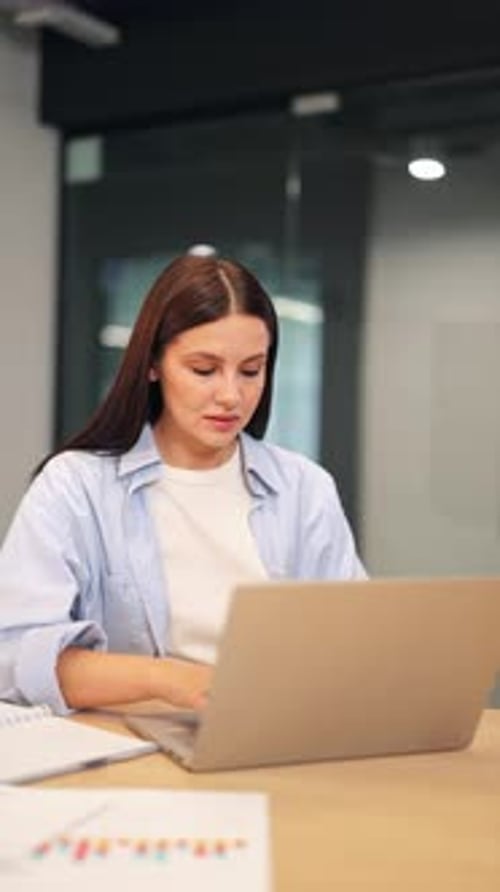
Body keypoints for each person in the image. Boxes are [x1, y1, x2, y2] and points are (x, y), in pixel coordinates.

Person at [0, 254, 366, 716]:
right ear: (153, 364)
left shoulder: (304, 488)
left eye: (251, 370)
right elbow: (13, 657)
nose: (231, 395)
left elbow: (353, 646)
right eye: (204, 369)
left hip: (275, 732)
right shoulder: (76, 486)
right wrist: (167, 680)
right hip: (133, 745)